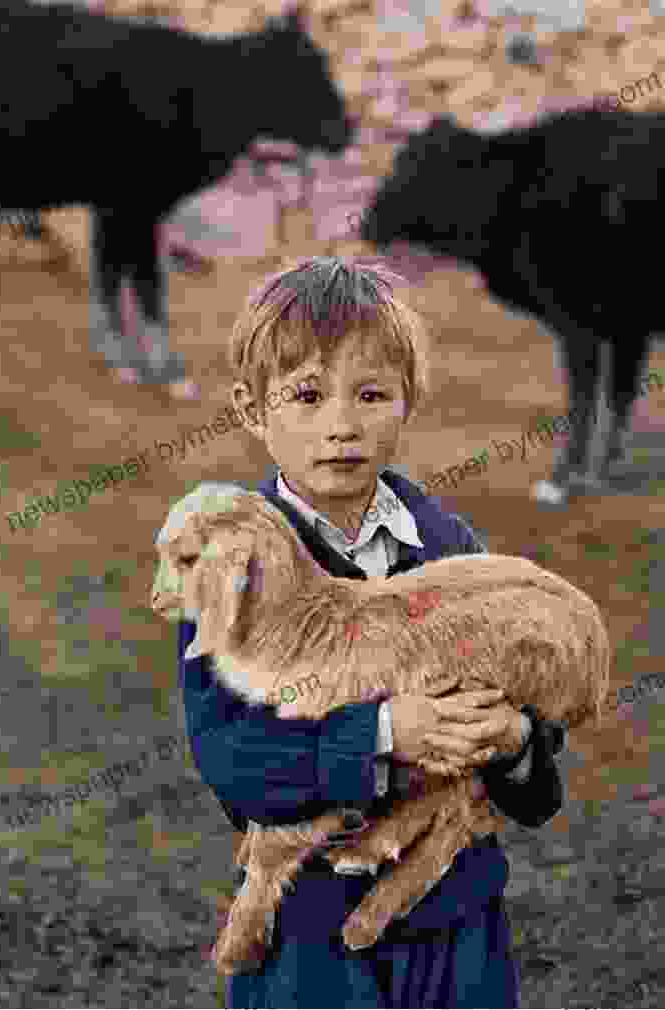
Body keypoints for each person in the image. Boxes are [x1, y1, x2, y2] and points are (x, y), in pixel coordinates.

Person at [158, 256, 566, 1008]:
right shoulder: (230, 566)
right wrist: (382, 733)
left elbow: (539, 787)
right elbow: (233, 762)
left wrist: (513, 739)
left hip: (457, 926)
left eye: (371, 394)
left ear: (408, 400)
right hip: (308, 938)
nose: (341, 425)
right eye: (307, 396)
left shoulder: (453, 550)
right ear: (252, 410)